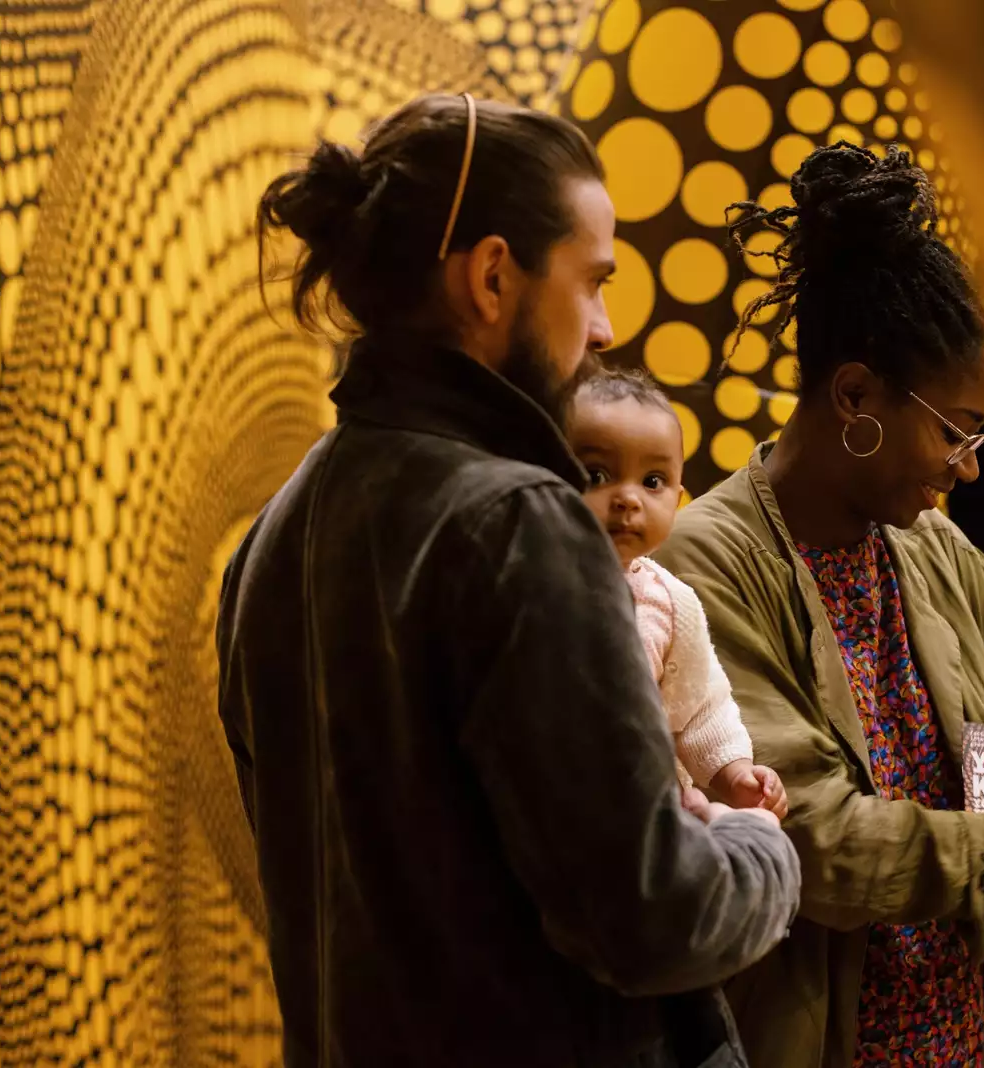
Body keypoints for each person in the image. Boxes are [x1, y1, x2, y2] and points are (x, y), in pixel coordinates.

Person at [218, 93, 801, 1068]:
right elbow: (650, 914)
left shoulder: (276, 532)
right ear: (492, 276)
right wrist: (761, 847)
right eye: (592, 282)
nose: (606, 328)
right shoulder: (518, 522)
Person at [655, 143, 984, 1068]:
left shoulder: (925, 543)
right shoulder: (711, 560)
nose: (971, 465)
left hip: (978, 1033)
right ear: (854, 394)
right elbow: (812, 839)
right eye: (956, 431)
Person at [567, 366, 789, 817]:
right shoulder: (526, 581)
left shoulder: (670, 603)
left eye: (652, 482)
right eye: (596, 475)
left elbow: (701, 704)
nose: (629, 499)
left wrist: (734, 772)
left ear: (678, 497)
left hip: (645, 807)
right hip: (555, 796)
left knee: (722, 823)